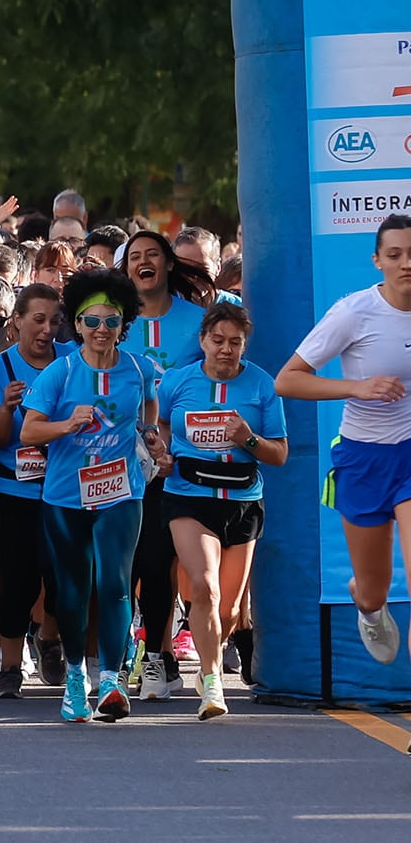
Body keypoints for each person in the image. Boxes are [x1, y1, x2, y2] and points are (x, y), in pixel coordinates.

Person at [21, 267, 167, 723]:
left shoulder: (140, 368)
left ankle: (111, 681)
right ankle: (73, 678)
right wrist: (67, 424)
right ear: (77, 324)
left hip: (122, 489)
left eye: (111, 321)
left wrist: (151, 437)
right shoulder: (61, 371)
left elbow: (149, 409)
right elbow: (29, 431)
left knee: (115, 583)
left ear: (124, 325)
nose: (101, 330)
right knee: (72, 590)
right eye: (91, 321)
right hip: (65, 495)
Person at [277, 214, 411, 684]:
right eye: (395, 255)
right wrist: (357, 387)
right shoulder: (354, 312)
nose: (406, 263)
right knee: (375, 590)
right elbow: (287, 380)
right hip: (364, 458)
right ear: (377, 261)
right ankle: (367, 605)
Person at [159, 302, 286, 718]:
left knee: (229, 608)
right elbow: (156, 424)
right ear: (203, 341)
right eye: (218, 340)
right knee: (205, 587)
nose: (226, 349)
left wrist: (248, 439)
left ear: (244, 345)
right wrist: (160, 450)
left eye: (235, 342)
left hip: (242, 499)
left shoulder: (262, 386)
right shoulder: (177, 382)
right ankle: (212, 683)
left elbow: (279, 454)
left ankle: (212, 656)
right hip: (188, 496)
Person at [118, 230, 210, 698]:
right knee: (123, 564)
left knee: (158, 562)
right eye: (135, 256)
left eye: (153, 254)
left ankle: (156, 657)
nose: (144, 262)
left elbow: (217, 382)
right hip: (119, 460)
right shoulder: (113, 321)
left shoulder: (198, 321)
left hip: (176, 461)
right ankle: (112, 661)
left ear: (170, 264)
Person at [0, 283, 63, 695]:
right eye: (38, 320)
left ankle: (49, 636)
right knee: (17, 580)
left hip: (64, 488)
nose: (46, 330)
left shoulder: (72, 363)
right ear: (17, 324)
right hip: (11, 487)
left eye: (54, 321)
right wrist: (8, 409)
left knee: (62, 576)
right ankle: (10, 666)